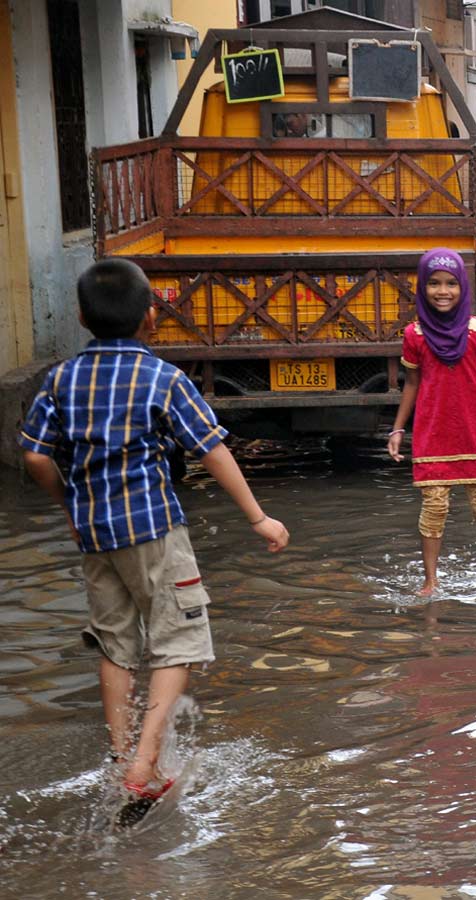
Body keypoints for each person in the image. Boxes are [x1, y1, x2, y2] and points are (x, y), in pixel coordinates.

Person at [18, 258, 290, 820]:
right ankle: (144, 764)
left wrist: (69, 503)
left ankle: (120, 759)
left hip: (95, 535)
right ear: (151, 317)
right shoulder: (163, 378)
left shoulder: (62, 378)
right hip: (154, 531)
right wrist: (258, 517)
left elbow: (34, 455)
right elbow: (212, 448)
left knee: (115, 646)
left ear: (79, 316)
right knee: (178, 643)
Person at [387, 249, 476, 595]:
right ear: (423, 288)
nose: (442, 291)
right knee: (434, 504)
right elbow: (413, 385)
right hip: (432, 430)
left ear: (463, 287)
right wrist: (398, 428)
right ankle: (430, 581)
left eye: (450, 283)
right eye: (433, 283)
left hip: (471, 428)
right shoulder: (414, 335)